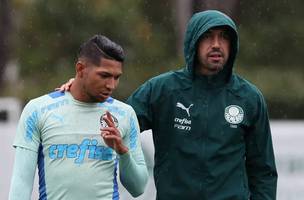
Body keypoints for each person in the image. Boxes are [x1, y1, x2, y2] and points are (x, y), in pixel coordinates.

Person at [59, 10, 278, 199]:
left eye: (223, 38)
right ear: (194, 40)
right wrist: (81, 87)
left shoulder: (248, 97)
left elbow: (263, 171)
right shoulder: (162, 90)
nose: (216, 45)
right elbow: (116, 121)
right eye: (208, 37)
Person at [9, 35, 148, 200]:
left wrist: (122, 151)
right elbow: (21, 184)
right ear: (81, 69)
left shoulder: (125, 114)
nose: (111, 85)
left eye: (116, 77)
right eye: (104, 76)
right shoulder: (37, 110)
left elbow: (138, 187)